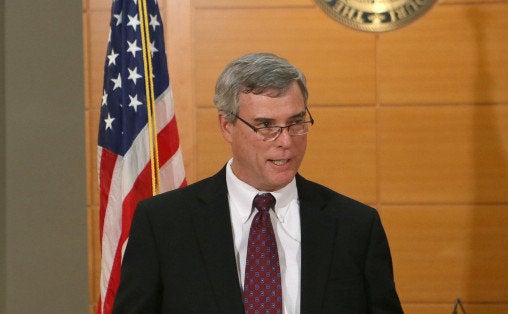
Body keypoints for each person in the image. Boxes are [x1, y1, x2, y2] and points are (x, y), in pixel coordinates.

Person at [113, 52, 403, 313]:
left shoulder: (356, 226)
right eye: (266, 126)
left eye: (296, 123)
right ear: (227, 126)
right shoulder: (164, 222)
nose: (286, 141)